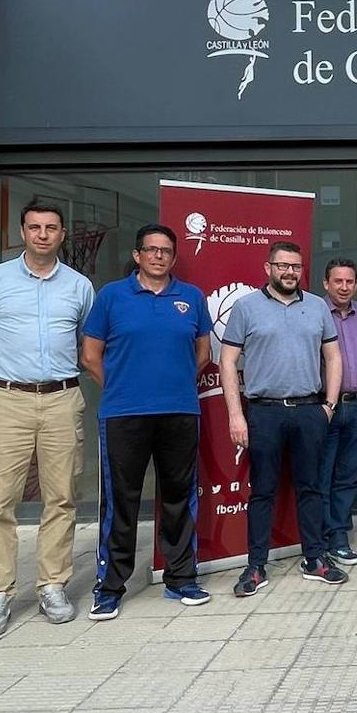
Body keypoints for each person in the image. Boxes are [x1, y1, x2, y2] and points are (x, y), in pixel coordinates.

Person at [0, 202, 94, 636]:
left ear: (62, 234)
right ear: (23, 231)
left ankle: (52, 585)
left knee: (62, 497)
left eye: (51, 227)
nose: (42, 234)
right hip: (6, 400)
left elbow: (87, 344)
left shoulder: (79, 287)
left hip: (61, 398)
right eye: (35, 227)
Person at [80, 224, 213, 620]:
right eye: (151, 250)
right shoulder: (112, 296)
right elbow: (90, 355)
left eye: (166, 251)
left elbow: (202, 352)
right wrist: (124, 386)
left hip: (179, 412)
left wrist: (171, 385)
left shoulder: (191, 297)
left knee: (178, 497)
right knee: (122, 501)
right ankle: (110, 587)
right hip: (124, 414)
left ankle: (181, 578)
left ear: (173, 257)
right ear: (137, 255)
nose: (159, 256)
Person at [219, 240, 346, 597]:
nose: (289, 272)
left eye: (295, 266)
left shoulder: (318, 307)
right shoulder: (246, 308)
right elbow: (227, 362)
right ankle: (256, 565)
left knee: (311, 488)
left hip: (310, 410)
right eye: (282, 266)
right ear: (268, 268)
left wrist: (329, 406)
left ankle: (314, 558)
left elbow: (333, 358)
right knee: (263, 491)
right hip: (265, 412)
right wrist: (235, 415)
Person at [319, 258, 357, 567]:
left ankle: (339, 537)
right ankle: (323, 537)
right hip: (325, 406)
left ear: (356, 284)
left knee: (348, 476)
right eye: (338, 281)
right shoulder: (315, 312)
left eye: (349, 281)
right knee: (322, 475)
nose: (344, 286)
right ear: (326, 284)